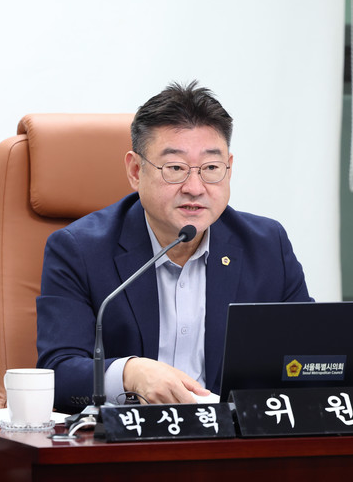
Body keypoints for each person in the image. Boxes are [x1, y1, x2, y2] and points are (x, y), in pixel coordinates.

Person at [36, 81, 313, 412]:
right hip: (131, 437)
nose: (195, 187)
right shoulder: (79, 250)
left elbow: (309, 357)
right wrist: (129, 373)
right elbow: (58, 376)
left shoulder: (266, 246)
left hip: (231, 438)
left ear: (229, 169)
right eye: (176, 168)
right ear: (135, 171)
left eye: (211, 168)